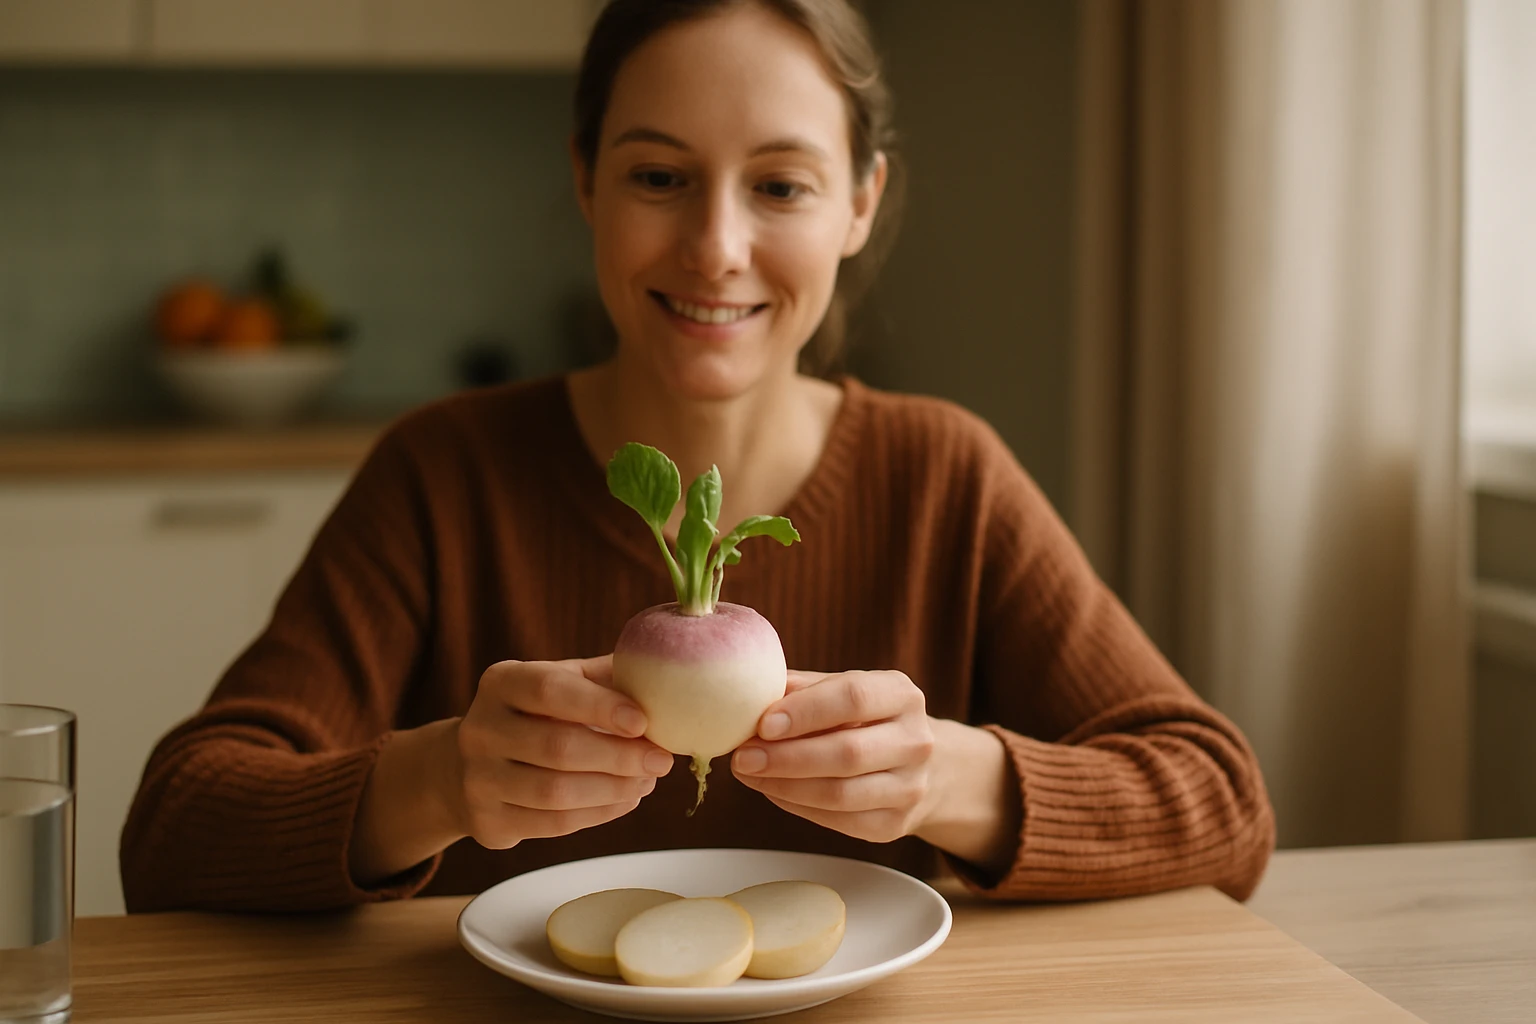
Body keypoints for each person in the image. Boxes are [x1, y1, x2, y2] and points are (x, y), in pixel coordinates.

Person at [120, 0, 1274, 913]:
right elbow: (172, 832)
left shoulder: (944, 476)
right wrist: (435, 780)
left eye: (780, 185)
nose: (716, 247)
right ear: (586, 178)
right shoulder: (443, 473)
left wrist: (953, 777)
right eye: (659, 177)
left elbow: (1225, 808)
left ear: (861, 202)